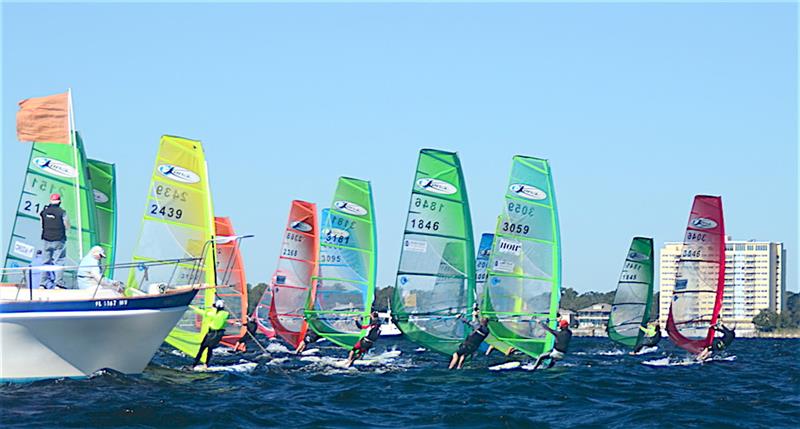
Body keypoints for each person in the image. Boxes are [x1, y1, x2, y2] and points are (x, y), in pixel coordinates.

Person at [40, 193, 70, 289]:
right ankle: (58, 283)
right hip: (59, 240)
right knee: (59, 261)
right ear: (59, 201)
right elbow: (67, 225)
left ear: (50, 201)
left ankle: (43, 283)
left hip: (46, 239)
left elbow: (42, 223)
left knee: (45, 261)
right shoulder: (62, 212)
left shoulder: (44, 212)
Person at [192, 299, 230, 368]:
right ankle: (206, 364)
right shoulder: (226, 314)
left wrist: (192, 307)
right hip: (219, 334)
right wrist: (214, 307)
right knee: (210, 349)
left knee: (202, 348)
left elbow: (201, 312)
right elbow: (221, 312)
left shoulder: (211, 314)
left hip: (212, 334)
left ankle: (194, 365)